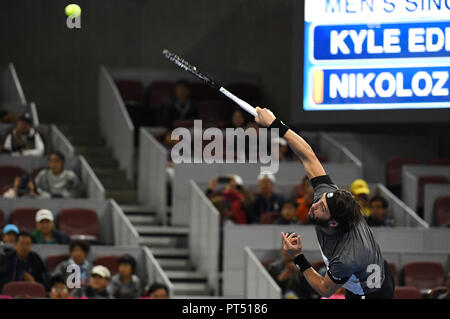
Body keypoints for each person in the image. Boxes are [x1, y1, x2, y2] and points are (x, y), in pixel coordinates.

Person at [255, 106, 395, 299]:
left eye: (322, 207)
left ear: (334, 223)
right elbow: (308, 157)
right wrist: (274, 124)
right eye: (321, 199)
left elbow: (324, 289)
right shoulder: (329, 198)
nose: (316, 203)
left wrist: (297, 257)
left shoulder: (347, 257)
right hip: (362, 274)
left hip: (370, 293)